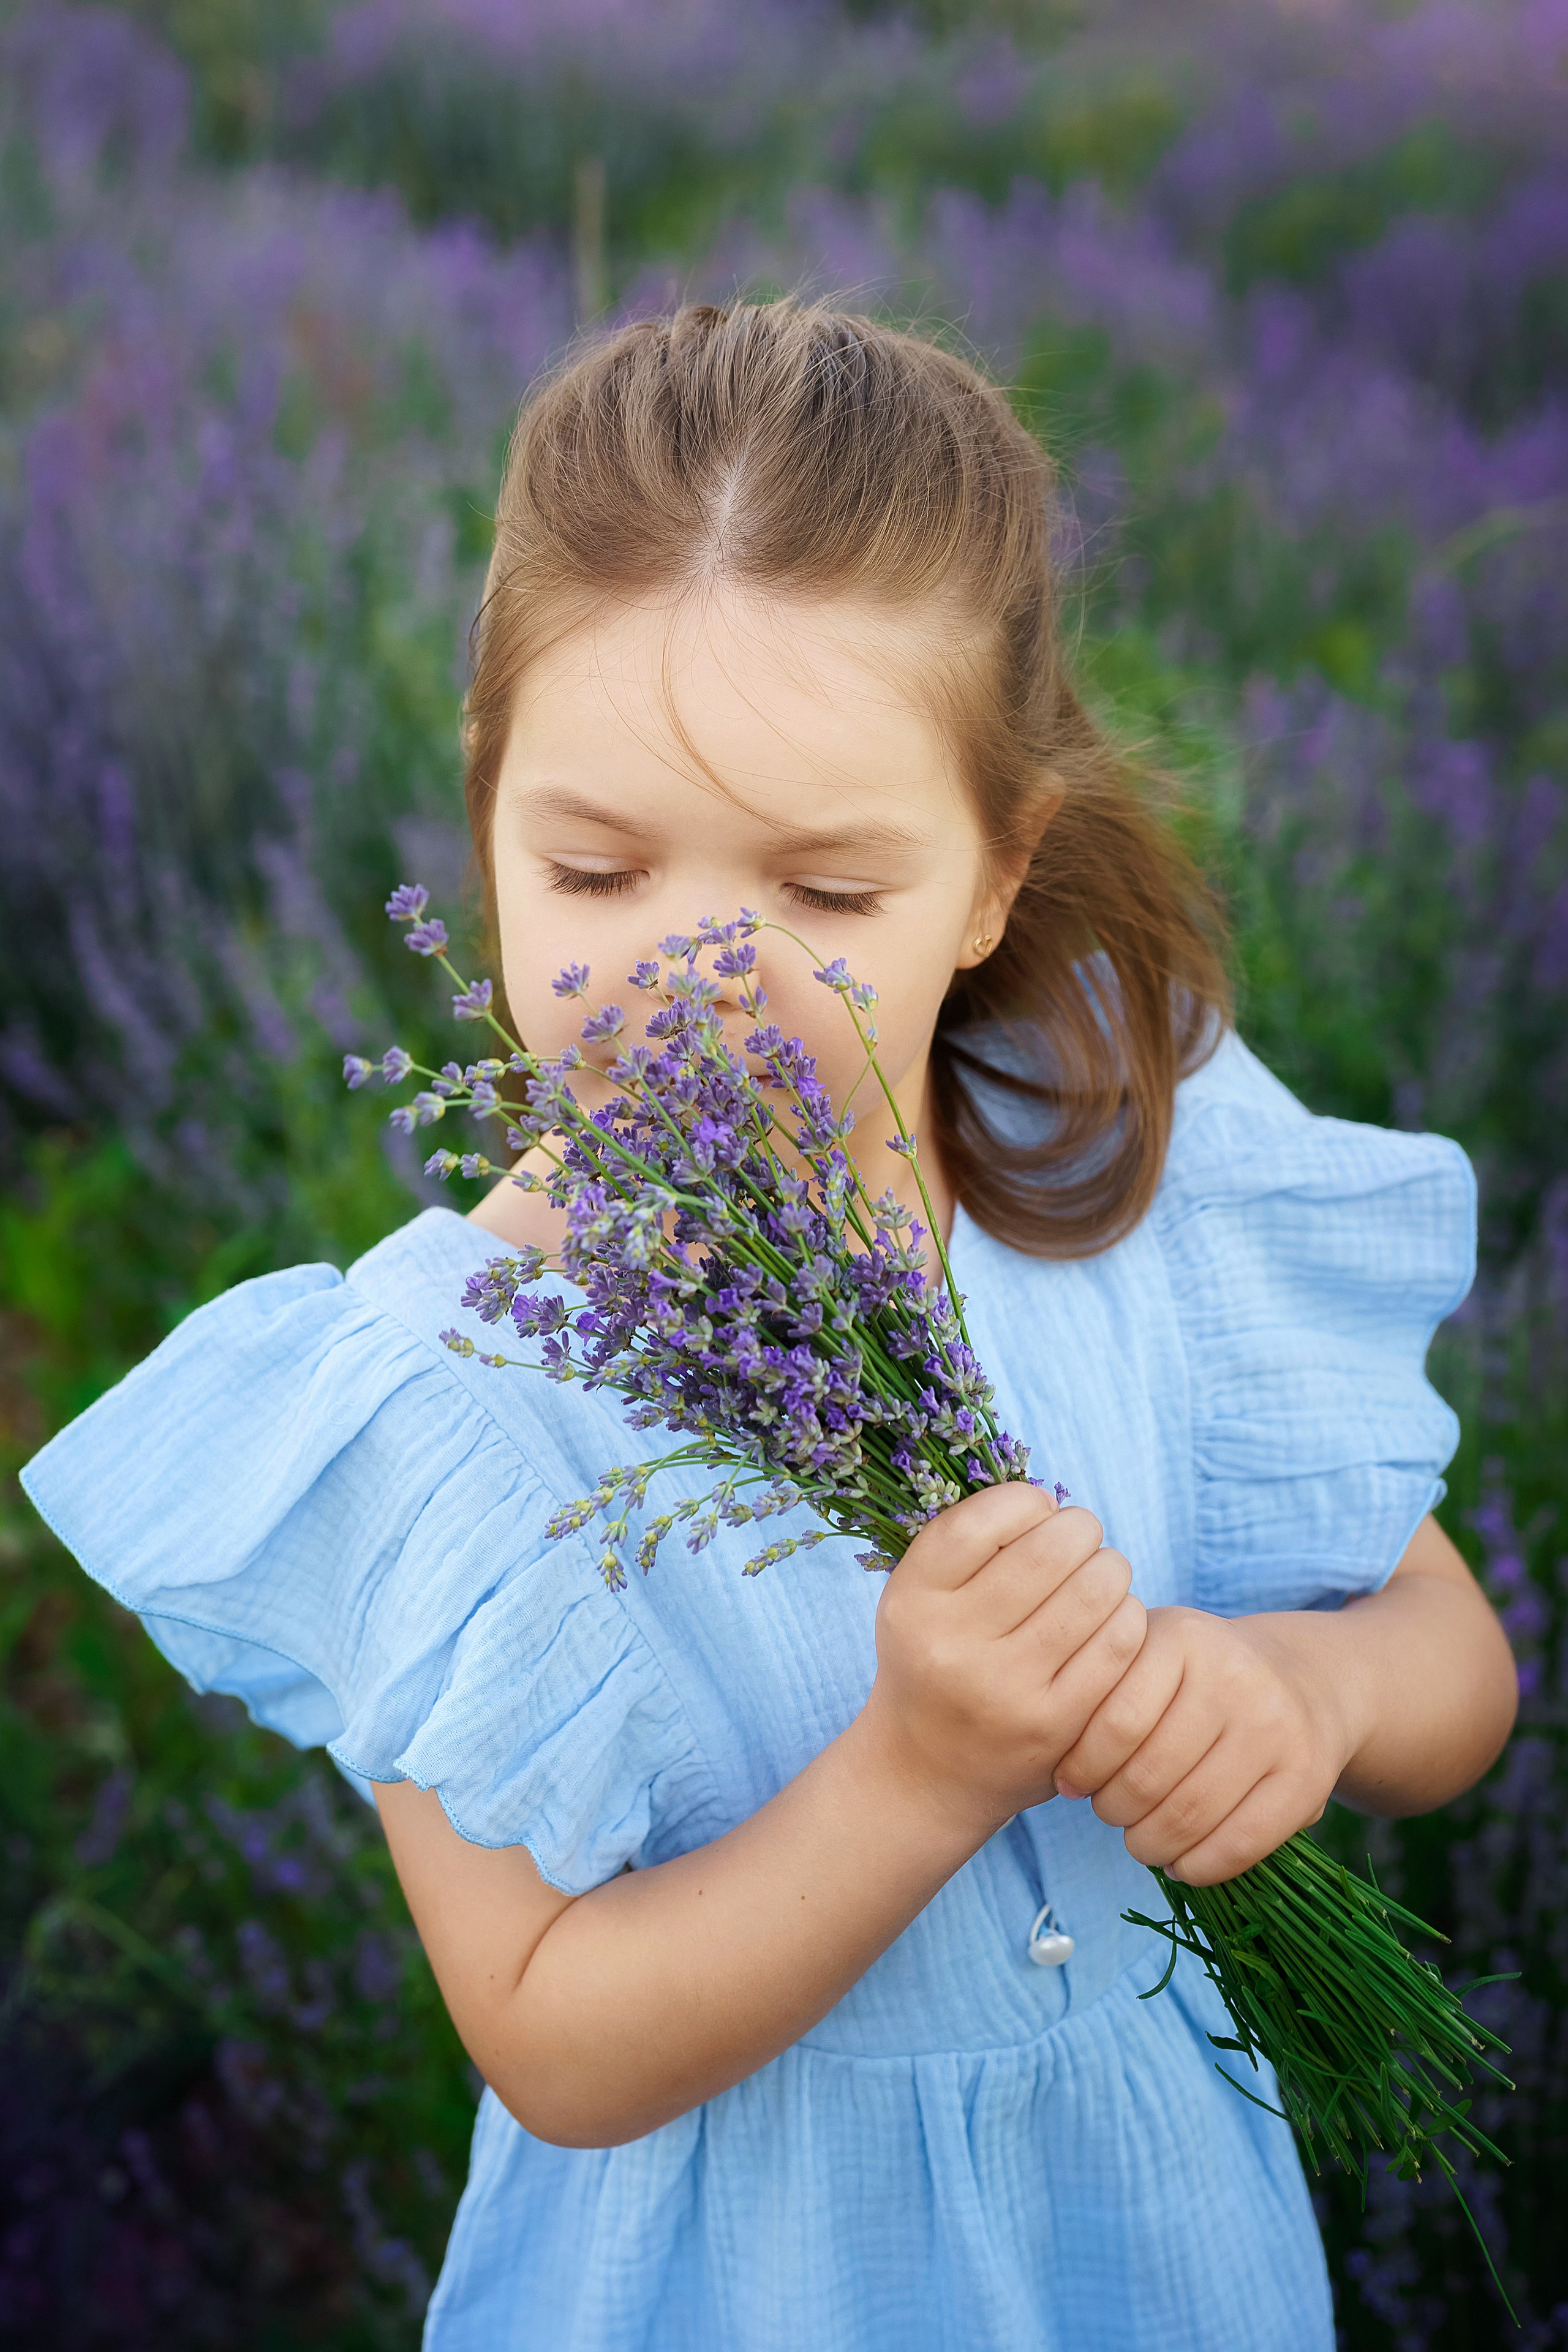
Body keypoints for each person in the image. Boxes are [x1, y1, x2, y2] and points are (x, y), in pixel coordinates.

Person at [21, 300, 1518, 2352]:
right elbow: (554, 2036)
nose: (698, 982)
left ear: (996, 873)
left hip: (1164, 2260)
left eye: (826, 894)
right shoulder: (450, 1392)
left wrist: (1307, 1699)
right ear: (486, 831)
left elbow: (1452, 1674)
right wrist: (915, 1774)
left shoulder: (1117, 1173)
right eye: (596, 869)